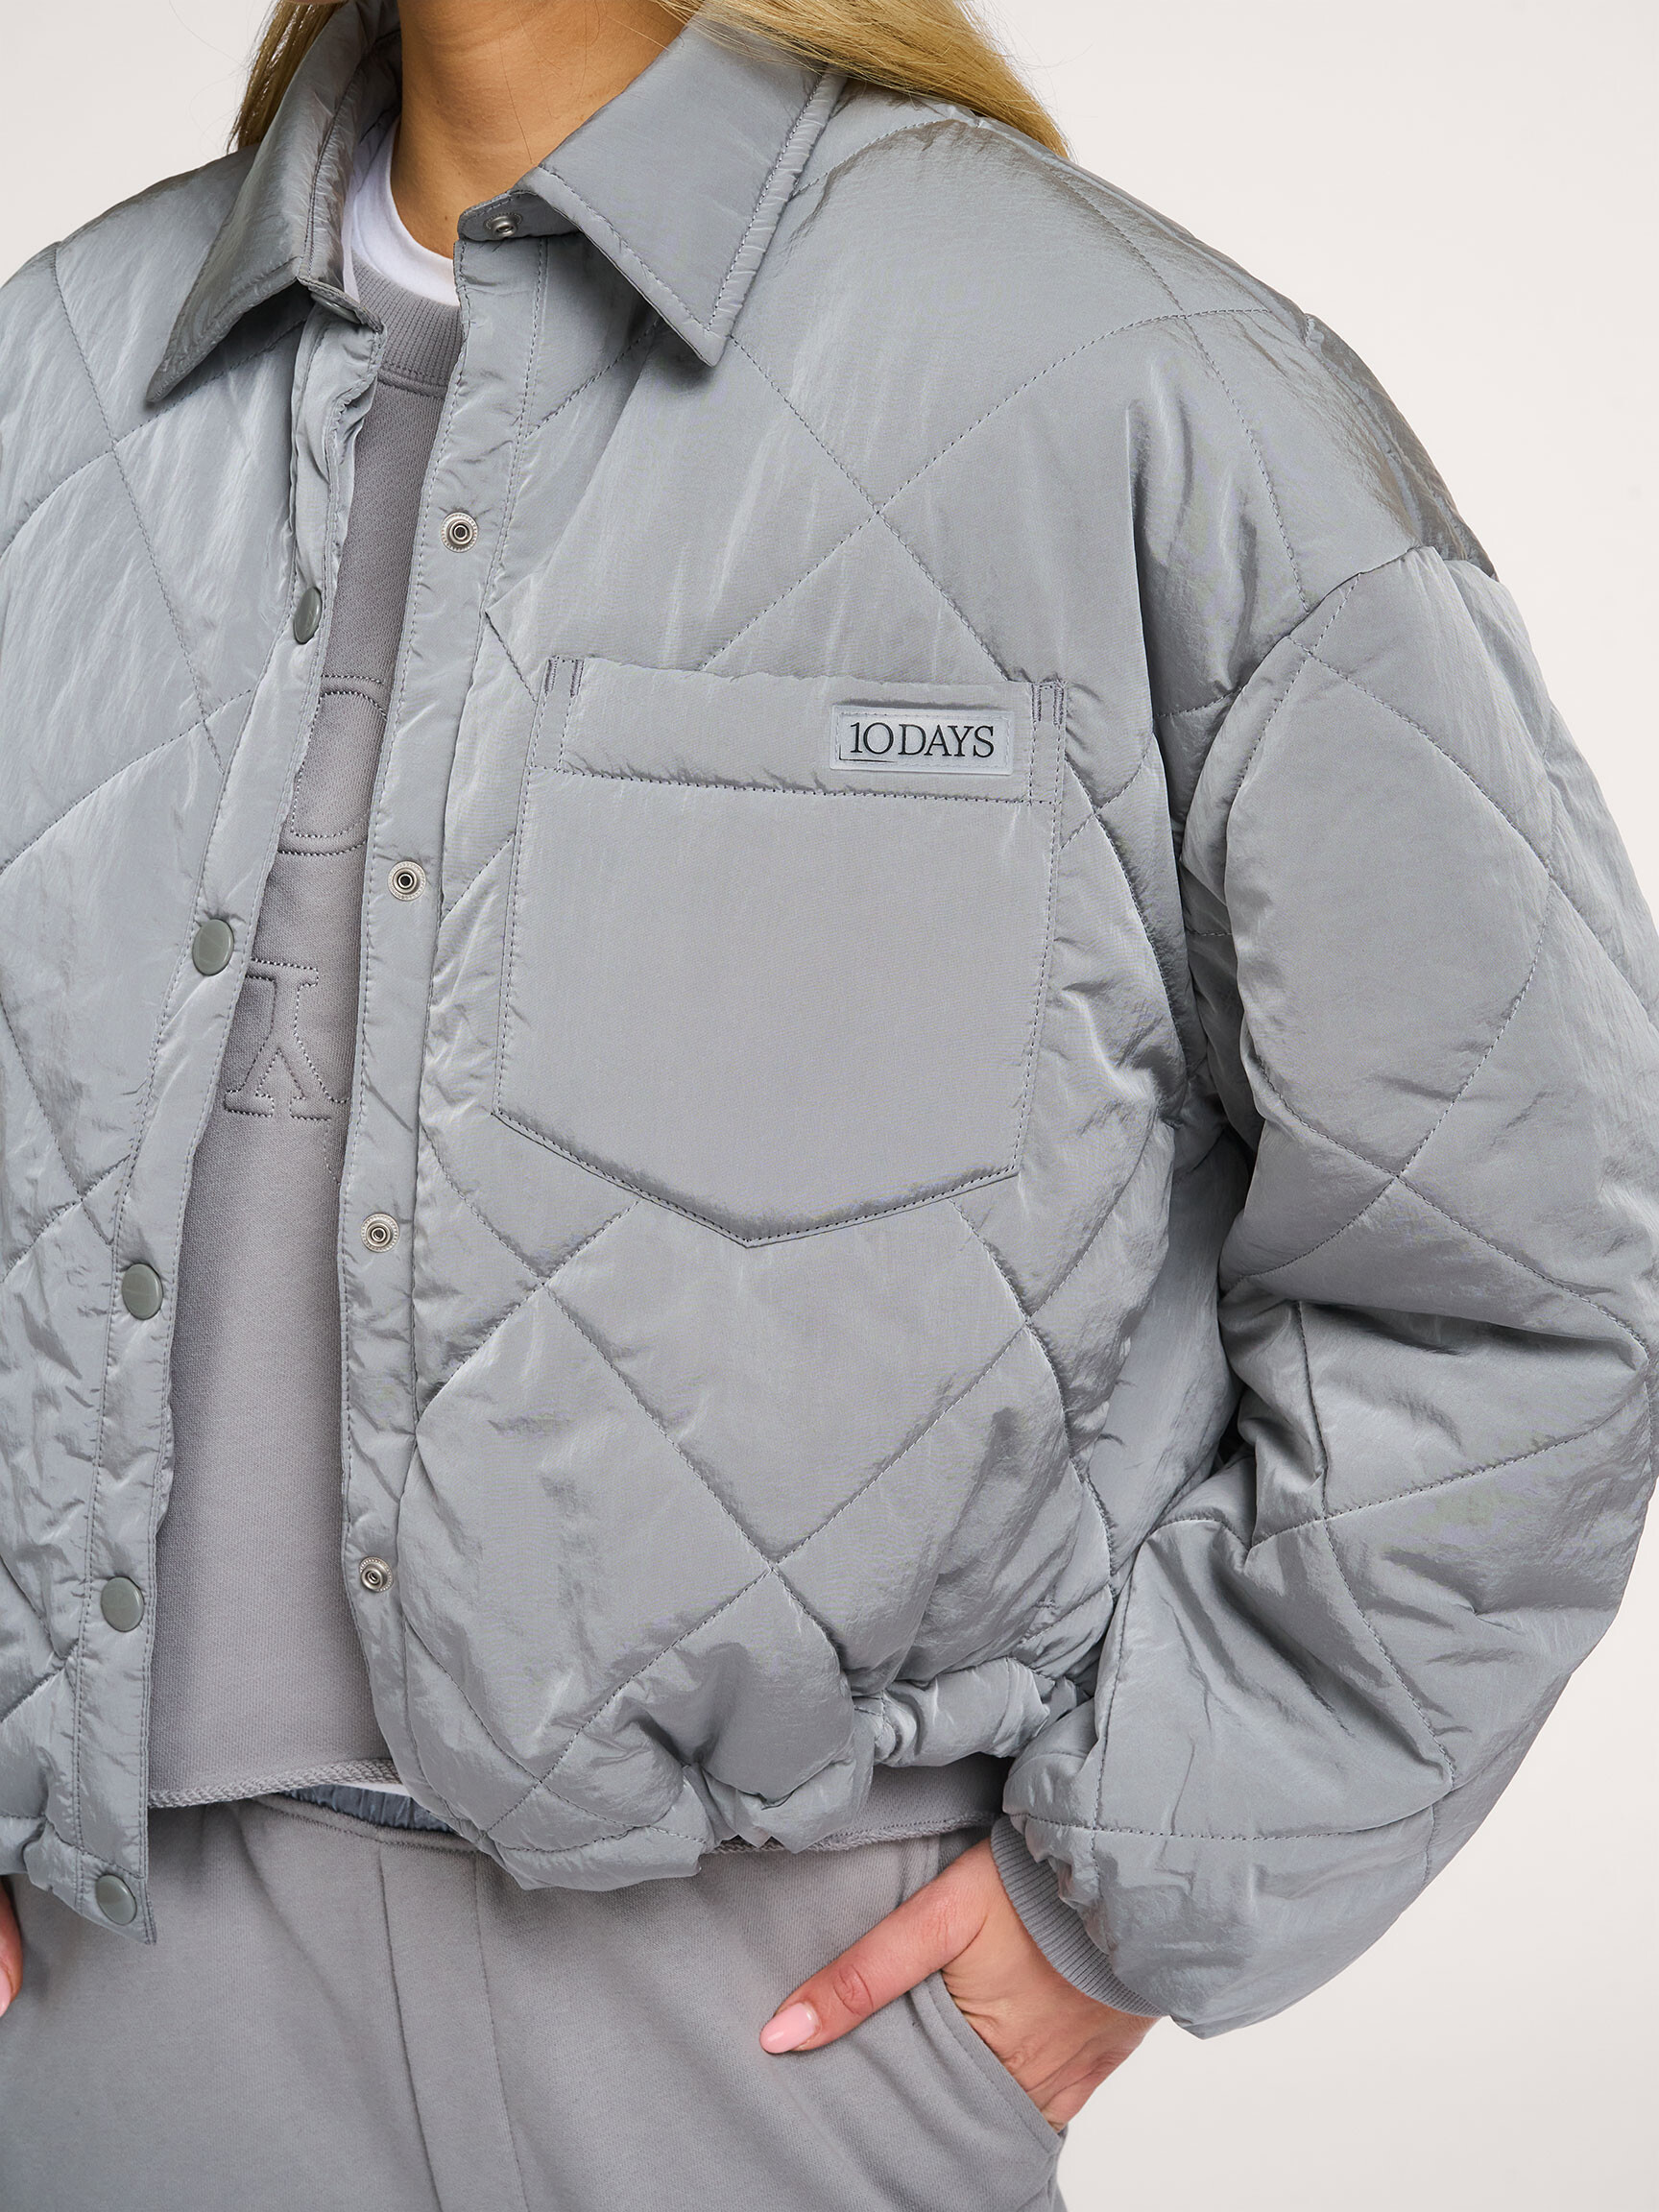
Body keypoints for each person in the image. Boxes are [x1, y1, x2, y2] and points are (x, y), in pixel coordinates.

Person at [0, 1, 1653, 2204]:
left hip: (772, 2023)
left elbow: (1528, 1257)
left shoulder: (1133, 386)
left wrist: (1130, 1892)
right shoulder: (55, 374)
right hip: (107, 1994)